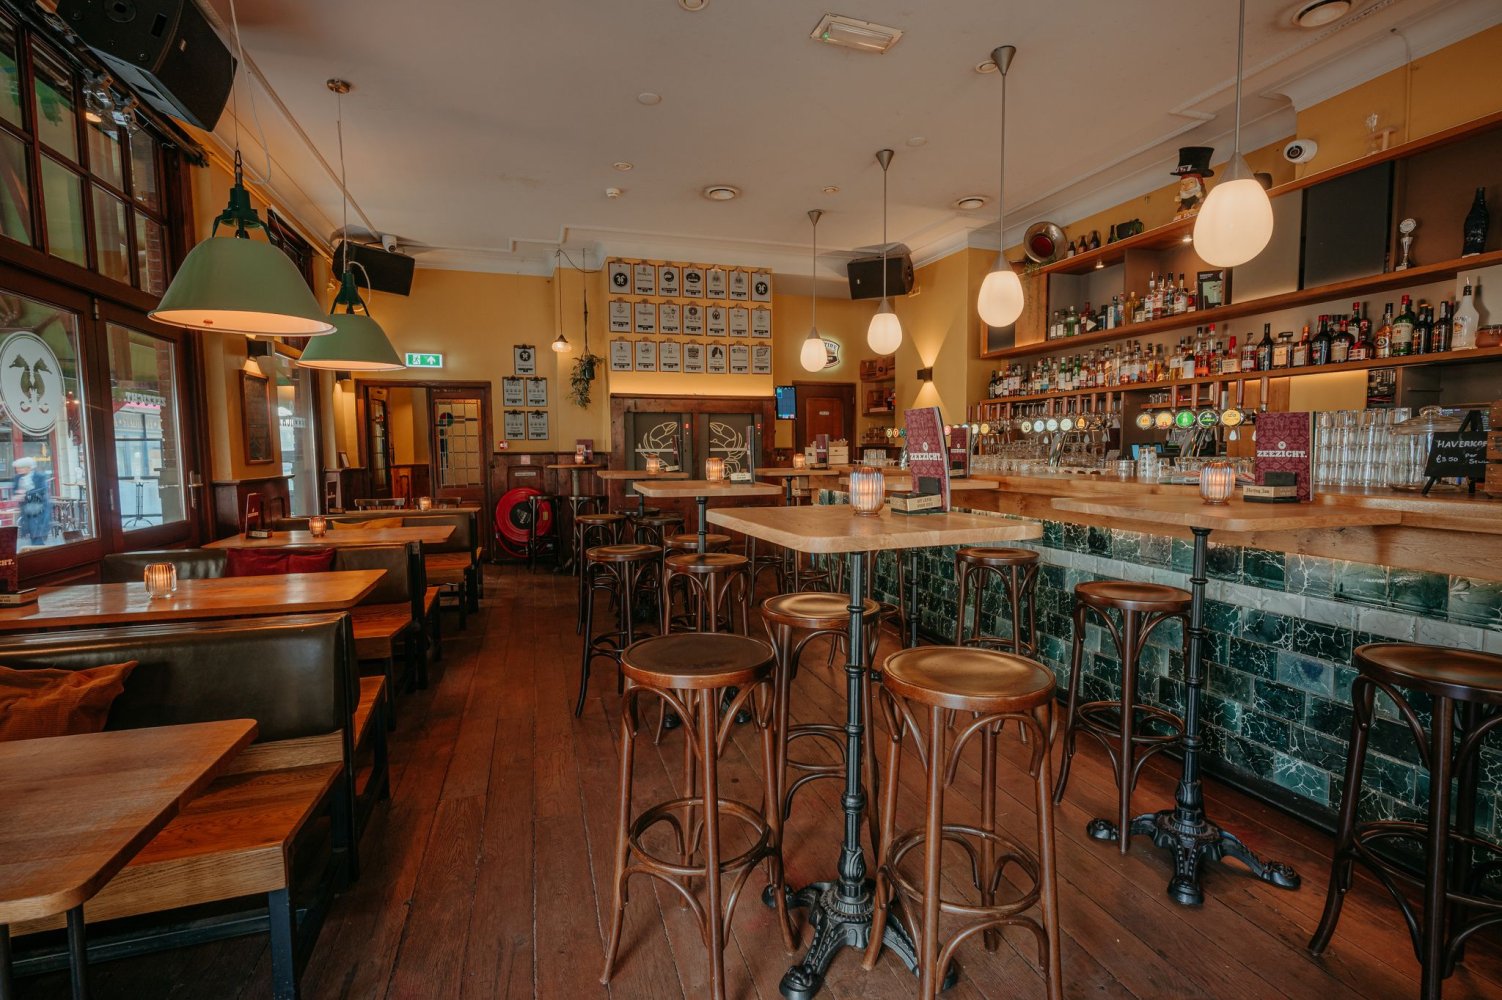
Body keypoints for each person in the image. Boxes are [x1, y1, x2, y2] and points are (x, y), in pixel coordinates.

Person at [12, 457, 51, 547]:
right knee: (30, 531)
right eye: (17, 468)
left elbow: (42, 490)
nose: (17, 470)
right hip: (26, 509)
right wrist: (16, 495)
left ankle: (38, 550)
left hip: (39, 508)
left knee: (37, 533)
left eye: (20, 467)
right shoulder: (17, 477)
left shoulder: (39, 476)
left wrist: (26, 494)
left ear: (28, 467)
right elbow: (14, 490)